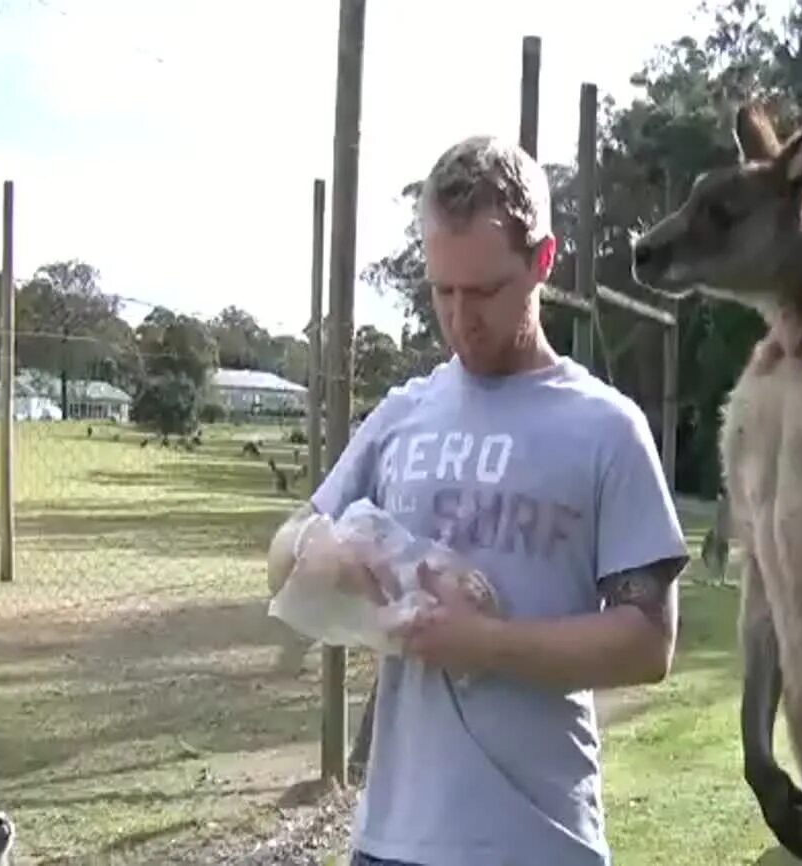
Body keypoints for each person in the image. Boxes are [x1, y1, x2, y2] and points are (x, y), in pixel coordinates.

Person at [265, 133, 690, 866]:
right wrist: (319, 552)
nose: (461, 318)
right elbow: (282, 555)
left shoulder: (606, 429)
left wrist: (488, 645)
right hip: (391, 840)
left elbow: (648, 641)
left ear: (543, 262)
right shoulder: (402, 414)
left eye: (486, 291)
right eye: (442, 291)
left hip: (538, 841)